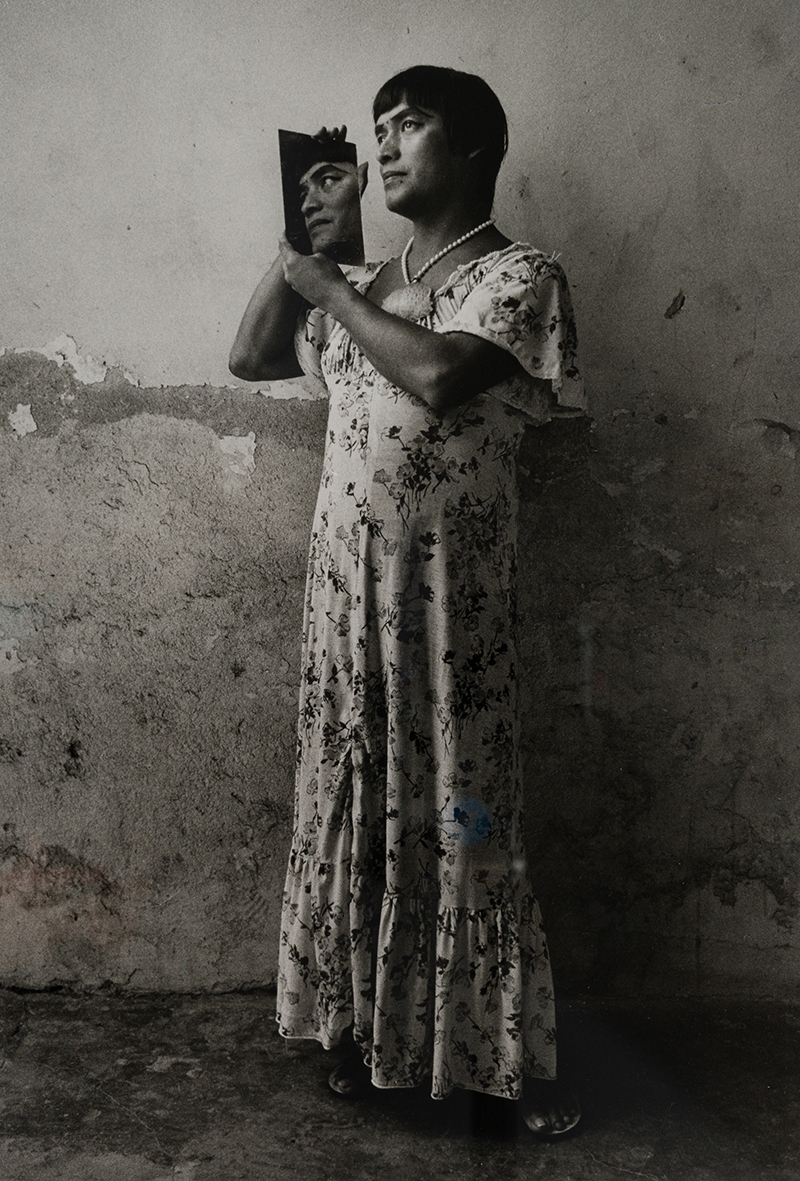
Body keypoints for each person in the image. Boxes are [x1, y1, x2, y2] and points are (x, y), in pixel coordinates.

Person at [230, 65, 585, 1135]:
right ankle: (358, 1030)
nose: (385, 148)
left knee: (460, 810)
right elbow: (248, 356)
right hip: (343, 593)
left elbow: (436, 377)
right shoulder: (363, 277)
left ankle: (489, 1063)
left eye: (410, 126)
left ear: (472, 148)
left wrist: (333, 286)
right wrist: (304, 255)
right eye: (376, 129)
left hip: (447, 607)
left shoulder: (521, 274)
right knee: (354, 798)